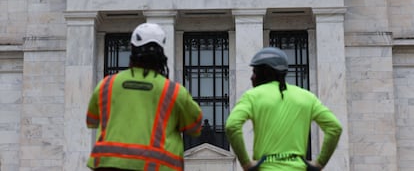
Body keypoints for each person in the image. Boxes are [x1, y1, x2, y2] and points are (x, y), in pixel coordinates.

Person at [86, 23, 203, 171]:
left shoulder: (107, 85)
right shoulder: (173, 92)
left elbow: (92, 120)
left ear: (132, 50)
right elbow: (195, 127)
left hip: (108, 165)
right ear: (162, 53)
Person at [225, 47, 342, 171]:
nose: (251, 77)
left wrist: (245, 163)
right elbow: (335, 128)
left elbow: (232, 126)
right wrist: (320, 163)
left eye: (254, 71)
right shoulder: (306, 97)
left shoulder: (252, 96)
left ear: (264, 72)